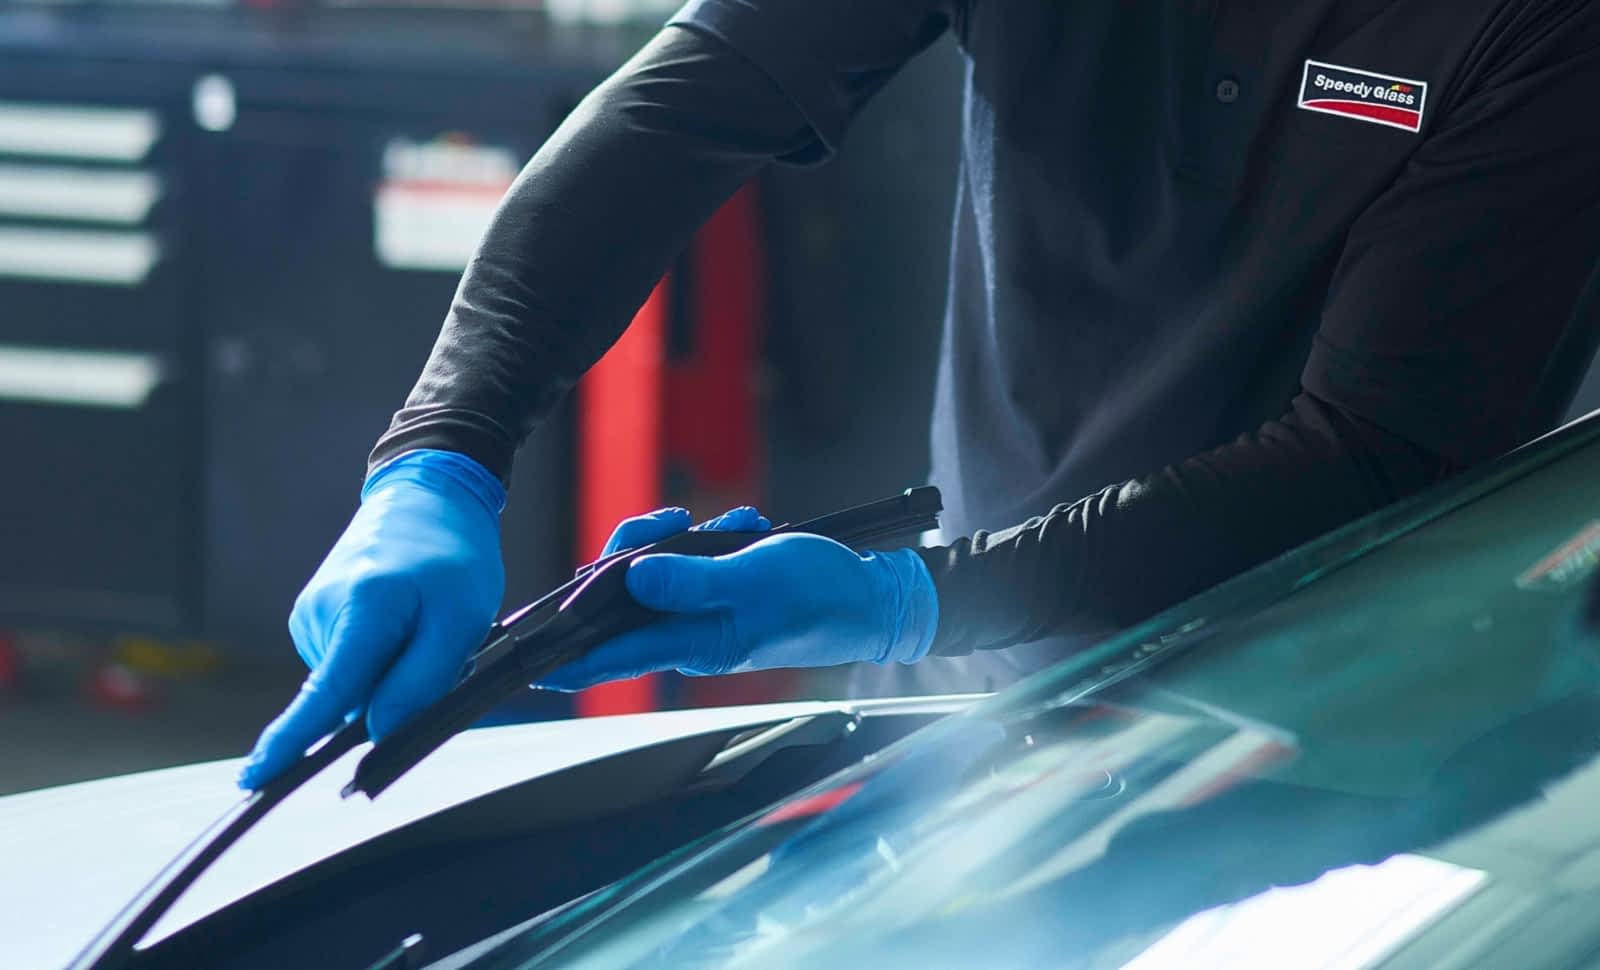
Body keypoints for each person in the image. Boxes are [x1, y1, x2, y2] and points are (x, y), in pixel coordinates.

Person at [238, 0, 1600, 789]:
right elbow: (685, 104)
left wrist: (906, 592)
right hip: (968, 686)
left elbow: (1371, 455)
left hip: (1345, 728)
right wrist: (439, 457)